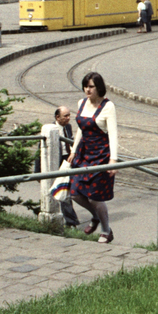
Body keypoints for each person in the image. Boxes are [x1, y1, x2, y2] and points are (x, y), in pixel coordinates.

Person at [69, 71, 121, 243]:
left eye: (91, 86)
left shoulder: (108, 107)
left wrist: (113, 160)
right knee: (75, 193)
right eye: (85, 86)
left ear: (99, 88)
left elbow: (113, 134)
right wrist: (74, 150)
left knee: (94, 196)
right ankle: (95, 217)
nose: (87, 90)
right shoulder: (82, 103)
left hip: (101, 155)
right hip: (84, 154)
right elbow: (81, 130)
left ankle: (106, 230)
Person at [52, 107, 82, 228]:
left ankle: (70, 220)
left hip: (68, 161)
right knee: (63, 192)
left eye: (69, 115)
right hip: (56, 161)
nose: (68, 118)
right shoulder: (52, 128)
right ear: (57, 117)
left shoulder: (68, 127)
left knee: (66, 192)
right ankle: (71, 221)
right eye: (65, 116)